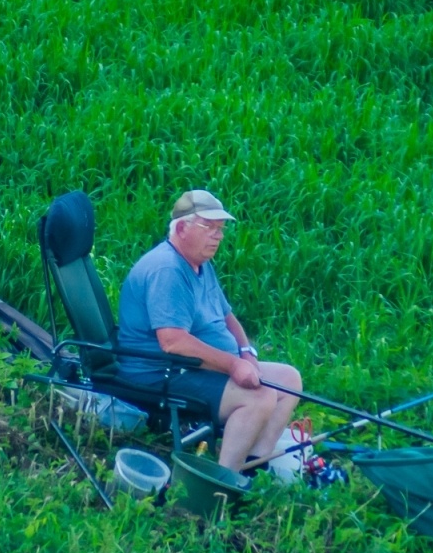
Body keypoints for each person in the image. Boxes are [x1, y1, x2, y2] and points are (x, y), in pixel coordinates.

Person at [116, 189, 300, 474]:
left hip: (195, 368)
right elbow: (173, 342)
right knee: (260, 397)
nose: (219, 236)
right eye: (210, 227)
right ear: (181, 228)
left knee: (288, 379)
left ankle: (253, 466)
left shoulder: (201, 265)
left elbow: (227, 317)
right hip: (163, 373)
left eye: (221, 229)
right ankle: (224, 480)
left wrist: (246, 353)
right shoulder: (167, 270)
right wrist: (232, 365)